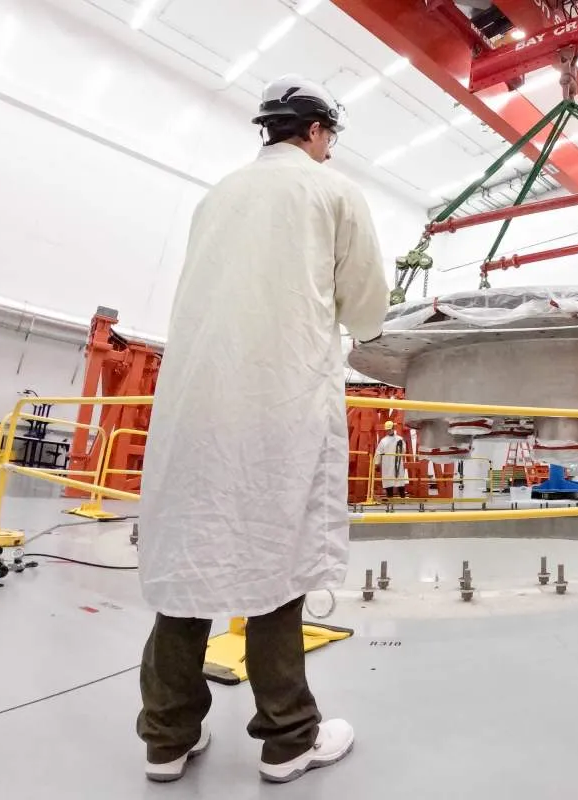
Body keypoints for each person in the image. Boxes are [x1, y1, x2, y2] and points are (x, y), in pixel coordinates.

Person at [136, 75, 392, 784]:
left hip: (196, 402)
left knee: (189, 559)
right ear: (315, 131)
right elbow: (366, 303)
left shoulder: (217, 195)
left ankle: (166, 736)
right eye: (330, 137)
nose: (330, 148)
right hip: (278, 398)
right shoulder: (331, 192)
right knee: (276, 559)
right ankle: (289, 739)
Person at [375, 420, 408, 499]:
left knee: (400, 480)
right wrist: (377, 463)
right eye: (388, 430)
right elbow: (379, 452)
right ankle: (390, 497)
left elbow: (404, 451)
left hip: (398, 462)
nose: (389, 431)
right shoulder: (383, 441)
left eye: (390, 429)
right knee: (388, 480)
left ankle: (402, 497)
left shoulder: (399, 439)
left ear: (393, 428)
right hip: (387, 463)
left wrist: (401, 446)